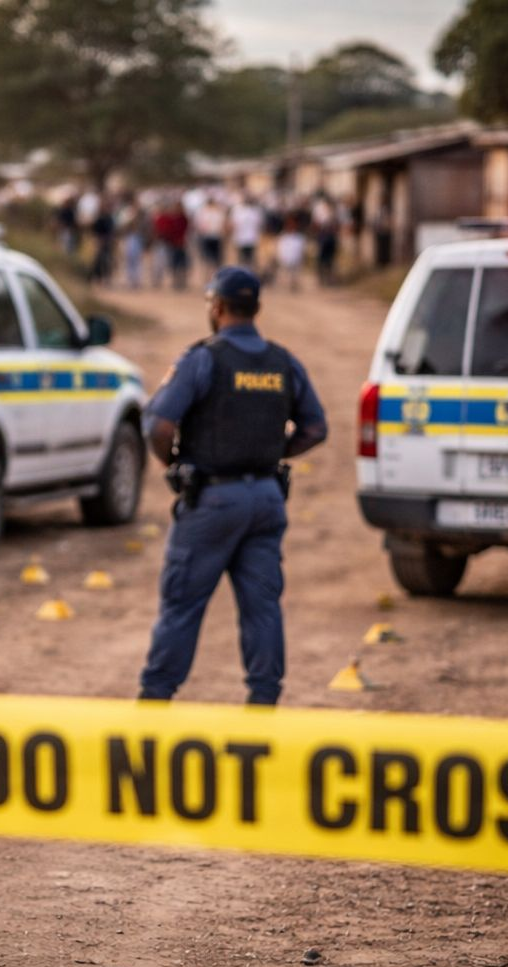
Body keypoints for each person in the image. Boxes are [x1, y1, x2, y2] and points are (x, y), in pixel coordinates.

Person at [137, 267, 327, 706]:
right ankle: (263, 705)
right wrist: (270, 451)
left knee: (182, 605)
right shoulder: (283, 362)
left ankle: (154, 702)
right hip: (266, 499)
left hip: (213, 499)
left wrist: (173, 463)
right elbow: (316, 429)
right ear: (256, 308)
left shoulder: (203, 359)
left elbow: (158, 424)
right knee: (262, 608)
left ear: (218, 307)